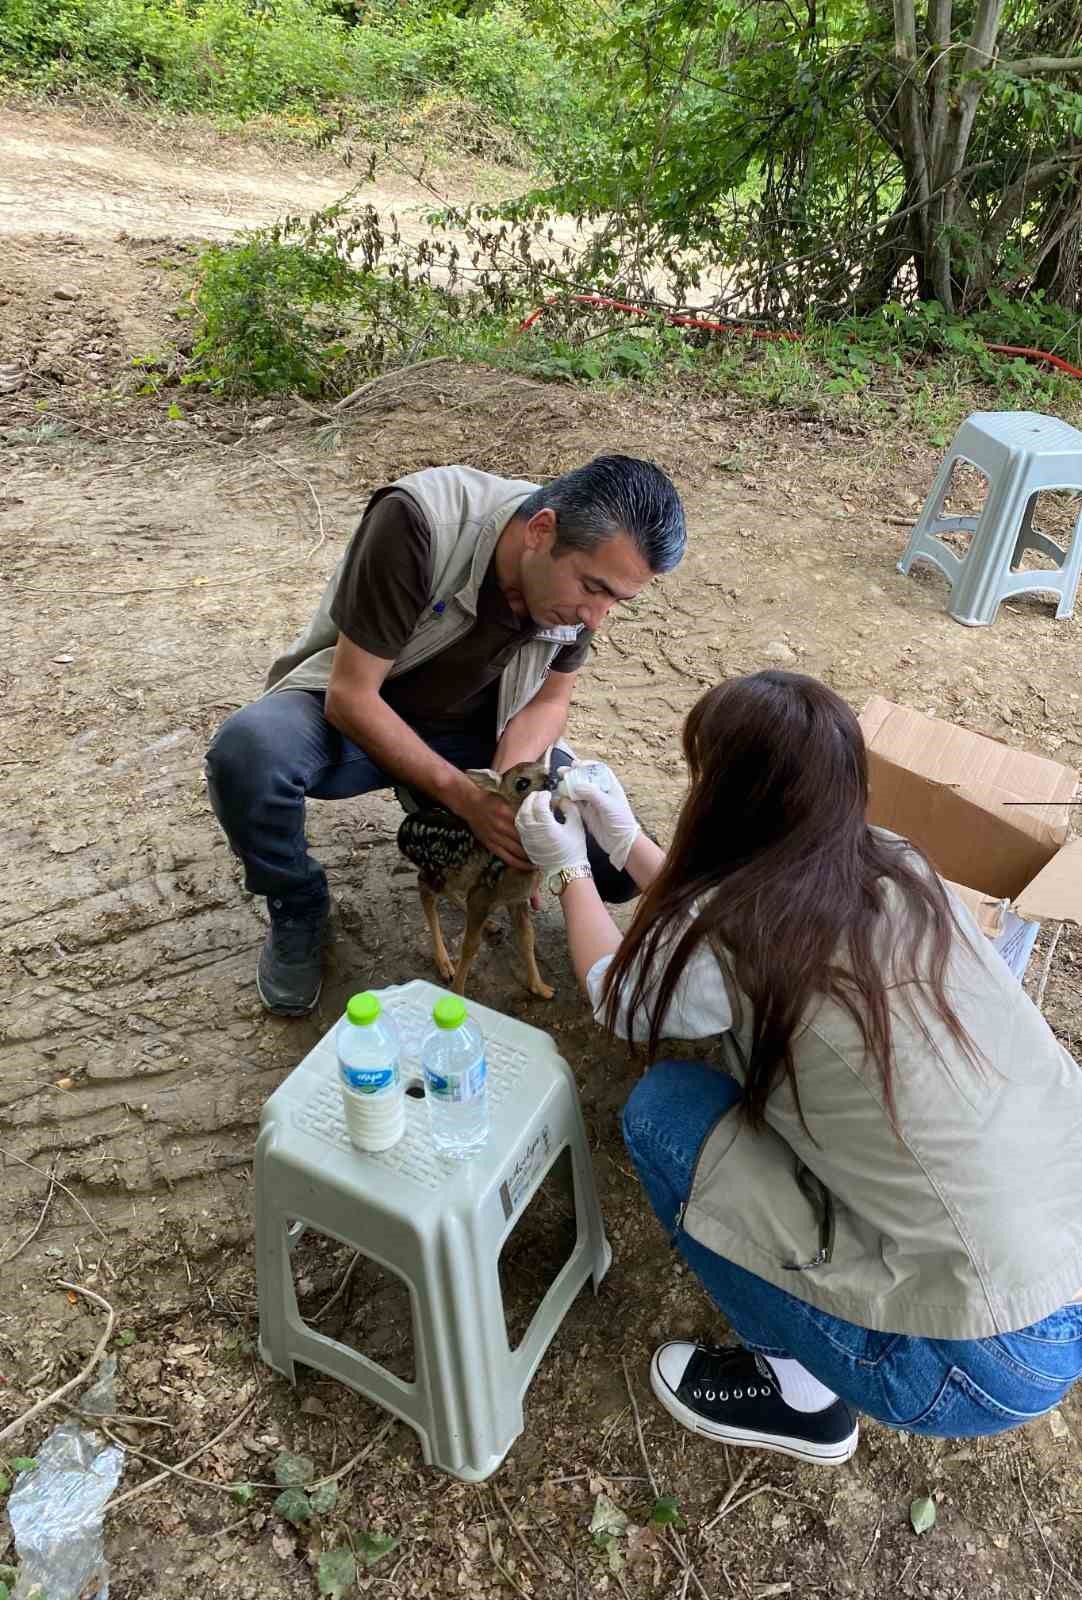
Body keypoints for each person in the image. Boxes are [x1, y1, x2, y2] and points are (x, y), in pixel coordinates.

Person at [514, 670, 1082, 1465]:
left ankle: (798, 1396)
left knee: (666, 1112)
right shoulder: (899, 862)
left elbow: (621, 995)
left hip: (973, 1362)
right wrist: (625, 842)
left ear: (728, 799)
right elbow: (717, 919)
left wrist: (570, 871)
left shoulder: (743, 935)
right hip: (1062, 1260)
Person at [204, 455, 686, 1015]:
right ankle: (297, 902)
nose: (595, 618)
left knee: (616, 866)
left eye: (616, 600)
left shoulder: (576, 585)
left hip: (477, 732)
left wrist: (505, 793)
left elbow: (550, 701)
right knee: (248, 754)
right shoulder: (420, 520)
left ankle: (440, 804)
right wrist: (464, 798)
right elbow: (351, 695)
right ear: (540, 531)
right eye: (593, 589)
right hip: (358, 711)